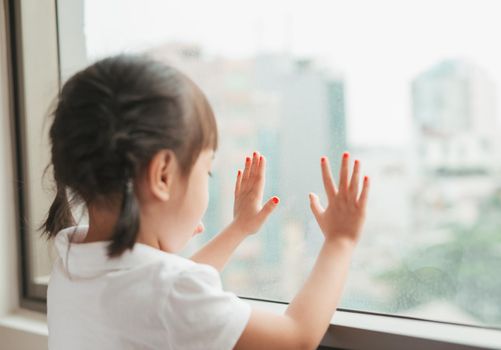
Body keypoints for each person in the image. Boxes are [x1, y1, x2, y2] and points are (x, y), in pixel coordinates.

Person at [43, 54, 370, 350]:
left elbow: (163, 289)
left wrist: (238, 229)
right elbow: (296, 337)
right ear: (163, 175)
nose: (208, 185)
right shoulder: (170, 293)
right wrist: (340, 241)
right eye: (207, 171)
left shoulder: (71, 263)